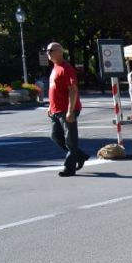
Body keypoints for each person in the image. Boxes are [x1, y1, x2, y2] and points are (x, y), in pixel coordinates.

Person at [46, 42, 88, 178]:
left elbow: (73, 90)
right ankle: (80, 155)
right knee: (55, 136)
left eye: (50, 50)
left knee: (70, 140)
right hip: (56, 110)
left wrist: (70, 110)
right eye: (47, 51)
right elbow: (55, 90)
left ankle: (69, 168)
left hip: (67, 109)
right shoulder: (55, 68)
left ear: (60, 52)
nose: (48, 53)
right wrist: (50, 106)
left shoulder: (66, 68)